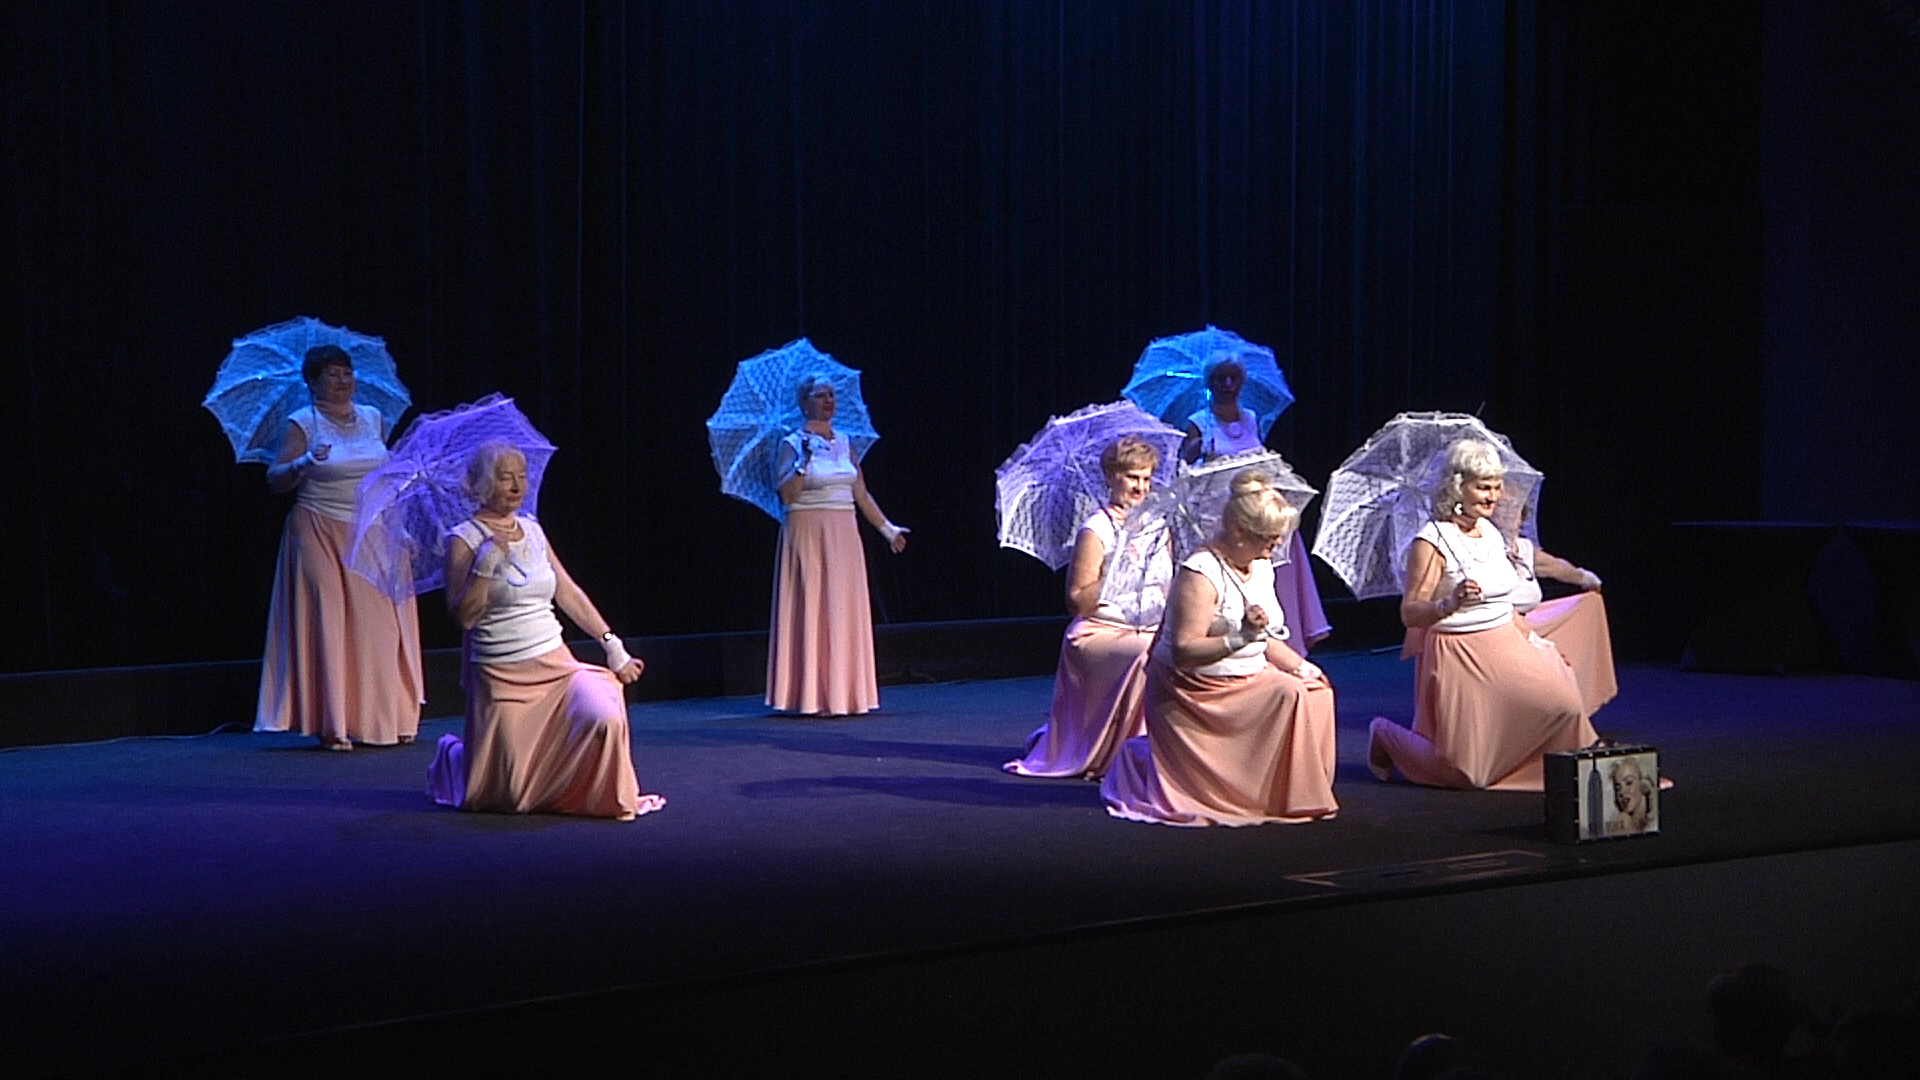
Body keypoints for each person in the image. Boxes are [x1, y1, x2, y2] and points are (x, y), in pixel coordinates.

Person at [427, 442, 665, 820]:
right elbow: (465, 617)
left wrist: (612, 646)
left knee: (604, 717)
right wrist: (485, 564)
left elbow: (568, 593)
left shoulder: (533, 530)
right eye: (505, 478)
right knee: (510, 797)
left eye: (522, 476)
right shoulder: (463, 539)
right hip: (502, 675)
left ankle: (573, 789)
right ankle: (454, 758)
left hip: (556, 665)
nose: (516, 486)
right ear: (481, 484)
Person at [1100, 470, 1338, 825]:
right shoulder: (1200, 573)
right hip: (1194, 689)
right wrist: (1239, 637)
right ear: (1240, 532)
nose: (1275, 546)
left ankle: (1284, 789)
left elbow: (1266, 638)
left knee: (1317, 690)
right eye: (1268, 538)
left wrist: (1301, 666)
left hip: (1248, 675)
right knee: (1288, 693)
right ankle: (1256, 792)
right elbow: (1184, 651)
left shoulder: (1261, 566)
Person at [1367, 439, 1596, 790]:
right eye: (1483, 487)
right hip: (1459, 651)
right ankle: (1385, 735)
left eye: (1496, 487)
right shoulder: (1431, 542)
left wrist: (1534, 641)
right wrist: (1449, 603)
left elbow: (1504, 600)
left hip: (1505, 637)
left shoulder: (1489, 531)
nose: (1493, 497)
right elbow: (1410, 614)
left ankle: (1537, 768)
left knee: (1564, 705)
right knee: (1466, 773)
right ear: (1457, 487)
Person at [254, 344, 422, 751]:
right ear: (313, 382)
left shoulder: (373, 418)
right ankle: (334, 725)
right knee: (329, 622)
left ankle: (384, 718)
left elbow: (382, 476)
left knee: (378, 626)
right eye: (332, 374)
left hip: (372, 530)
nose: (343, 380)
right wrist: (303, 463)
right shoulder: (302, 423)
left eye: (347, 372)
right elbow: (275, 480)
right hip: (318, 529)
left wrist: (400, 515)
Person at [1005, 435, 1172, 779]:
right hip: (1100, 631)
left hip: (1149, 626)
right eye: (1132, 477)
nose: (1140, 487)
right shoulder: (1096, 529)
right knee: (1149, 653)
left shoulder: (1157, 526)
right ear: (1111, 477)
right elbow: (1077, 602)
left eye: (1146, 478)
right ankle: (1123, 752)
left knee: (1178, 650)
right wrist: (1116, 566)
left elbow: (1166, 585)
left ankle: (1167, 753)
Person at [765, 375, 909, 716]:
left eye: (832, 394)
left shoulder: (845, 442)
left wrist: (888, 530)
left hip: (844, 534)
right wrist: (803, 461)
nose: (829, 400)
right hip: (807, 533)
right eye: (821, 395)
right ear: (805, 403)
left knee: (841, 608)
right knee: (813, 606)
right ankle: (811, 696)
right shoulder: (791, 443)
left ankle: (844, 693)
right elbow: (787, 494)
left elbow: (861, 493)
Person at [1179, 353, 1332, 652]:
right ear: (1210, 383)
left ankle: (1287, 638)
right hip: (1222, 511)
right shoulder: (1199, 422)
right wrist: (1198, 449)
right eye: (1220, 378)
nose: (1227, 384)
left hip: (1256, 504)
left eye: (1233, 378)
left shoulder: (1250, 418)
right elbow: (1185, 469)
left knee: (1284, 542)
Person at [1509, 522, 1618, 718]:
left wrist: (1586, 578)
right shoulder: (1479, 547)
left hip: (1524, 625)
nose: (1513, 521)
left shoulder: (1523, 548)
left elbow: (1554, 566)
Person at [1608, 755, 1654, 834]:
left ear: (1643, 783)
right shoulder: (1617, 827)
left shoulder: (1654, 824)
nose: (1622, 792)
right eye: (1618, 788)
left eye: (1629, 782)